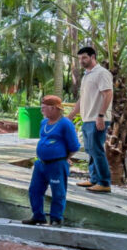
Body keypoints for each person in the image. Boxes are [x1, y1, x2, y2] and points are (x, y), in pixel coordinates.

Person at [23, 96, 80, 226]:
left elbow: (74, 146)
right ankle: (38, 216)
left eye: (44, 108)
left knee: (58, 192)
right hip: (41, 163)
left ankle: (56, 218)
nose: (41, 110)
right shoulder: (44, 122)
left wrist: (64, 158)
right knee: (34, 190)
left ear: (54, 108)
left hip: (56, 164)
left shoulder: (65, 124)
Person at [67, 46, 113, 193]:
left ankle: (104, 183)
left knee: (96, 150)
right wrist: (71, 115)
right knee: (90, 150)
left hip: (97, 118)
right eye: (80, 58)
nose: (81, 61)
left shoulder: (101, 73)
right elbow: (83, 99)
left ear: (93, 57)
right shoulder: (87, 75)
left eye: (84, 58)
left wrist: (101, 116)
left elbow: (108, 94)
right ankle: (94, 179)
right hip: (88, 118)